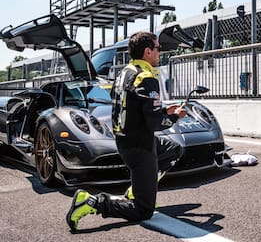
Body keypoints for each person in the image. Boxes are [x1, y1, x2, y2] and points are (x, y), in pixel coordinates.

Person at [66, 31, 187, 231]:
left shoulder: (125, 72)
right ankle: (91, 202)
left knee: (173, 149)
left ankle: (135, 191)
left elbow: (132, 108)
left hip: (128, 141)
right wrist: (175, 116)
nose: (160, 52)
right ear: (148, 52)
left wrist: (164, 109)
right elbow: (156, 124)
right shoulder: (146, 77)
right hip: (140, 146)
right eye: (158, 49)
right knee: (143, 210)